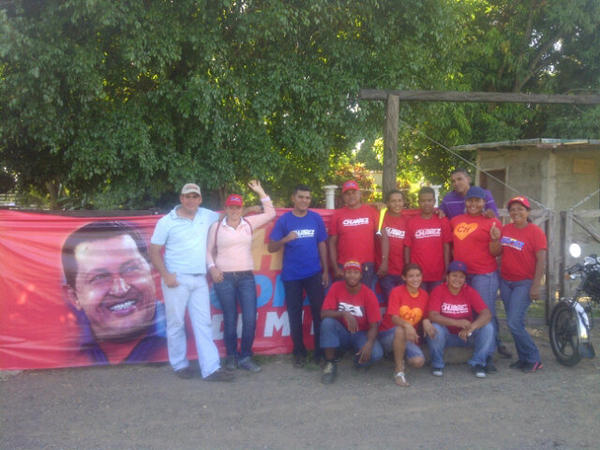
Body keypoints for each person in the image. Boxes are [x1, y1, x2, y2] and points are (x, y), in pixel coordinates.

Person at [149, 183, 233, 381]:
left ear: (200, 199)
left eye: (195, 196)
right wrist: (165, 275)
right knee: (176, 323)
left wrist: (253, 208)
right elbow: (153, 250)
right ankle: (180, 365)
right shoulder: (166, 221)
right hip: (176, 279)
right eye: (187, 196)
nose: (191, 200)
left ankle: (211, 369)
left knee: (204, 323)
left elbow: (228, 215)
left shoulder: (206, 215)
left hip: (199, 279)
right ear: (181, 198)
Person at [62, 221, 166, 364]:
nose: (120, 290)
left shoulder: (190, 330)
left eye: (131, 269)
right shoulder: (62, 351)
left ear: (152, 274)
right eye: (99, 277)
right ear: (74, 297)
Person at [206, 180, 275, 373]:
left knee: (250, 318)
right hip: (224, 278)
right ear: (226, 208)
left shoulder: (249, 223)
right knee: (230, 318)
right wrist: (212, 268)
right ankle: (231, 357)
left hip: (246, 277)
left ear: (242, 208)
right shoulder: (216, 227)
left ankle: (245, 356)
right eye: (231, 207)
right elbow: (208, 251)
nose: (234, 210)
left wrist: (260, 191)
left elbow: (270, 213)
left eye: (237, 207)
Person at [268, 184, 329, 367]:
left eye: (307, 198)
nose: (304, 200)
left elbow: (322, 244)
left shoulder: (315, 218)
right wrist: (285, 239)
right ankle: (299, 352)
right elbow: (271, 247)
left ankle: (320, 352)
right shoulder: (284, 220)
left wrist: (326, 270)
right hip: (292, 276)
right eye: (301, 197)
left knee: (319, 313)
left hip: (314, 273)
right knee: (295, 315)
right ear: (293, 198)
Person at [450, 185, 511, 366]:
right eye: (470, 200)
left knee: (484, 312)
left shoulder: (492, 222)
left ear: (484, 202)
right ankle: (479, 345)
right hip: (461, 275)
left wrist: (494, 239)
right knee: (466, 312)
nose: (473, 204)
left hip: (484, 274)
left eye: (477, 200)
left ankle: (488, 355)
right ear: (465, 201)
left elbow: (496, 252)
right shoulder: (456, 220)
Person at [500, 196, 546, 373]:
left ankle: (534, 358)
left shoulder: (535, 232)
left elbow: (541, 260)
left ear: (528, 212)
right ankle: (523, 358)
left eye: (520, 209)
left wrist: (535, 285)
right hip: (506, 281)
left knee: (513, 322)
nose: (516, 212)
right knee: (515, 322)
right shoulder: (506, 229)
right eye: (512, 209)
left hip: (524, 283)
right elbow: (499, 251)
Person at [426, 261, 495, 378]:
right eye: (454, 275)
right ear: (447, 277)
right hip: (446, 336)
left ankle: (478, 363)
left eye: (461, 276)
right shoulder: (439, 290)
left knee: (488, 327)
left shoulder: (469, 291)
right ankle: (437, 364)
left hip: (466, 336)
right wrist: (457, 323)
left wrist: (471, 328)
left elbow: (486, 314)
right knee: (435, 328)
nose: (457, 279)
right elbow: (433, 315)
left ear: (465, 279)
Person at [320, 260, 383, 384]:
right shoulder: (336, 287)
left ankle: (357, 359)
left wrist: (369, 343)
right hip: (342, 332)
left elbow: (374, 325)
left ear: (361, 275)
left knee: (376, 354)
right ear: (344, 274)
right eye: (348, 272)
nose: (352, 275)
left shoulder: (368, 294)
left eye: (355, 272)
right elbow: (323, 314)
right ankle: (330, 363)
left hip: (361, 334)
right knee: (327, 322)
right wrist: (343, 313)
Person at [377, 263, 435, 386]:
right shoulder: (396, 291)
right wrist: (407, 325)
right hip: (387, 334)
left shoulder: (424, 295)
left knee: (418, 362)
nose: (415, 279)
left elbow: (425, 315)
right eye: (411, 276)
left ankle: (397, 354)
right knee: (400, 330)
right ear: (404, 278)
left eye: (418, 275)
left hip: (408, 336)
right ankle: (399, 371)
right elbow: (394, 318)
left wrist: (426, 321)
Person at [328, 180, 387, 291]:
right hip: (344, 265)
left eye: (354, 192)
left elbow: (384, 237)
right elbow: (332, 243)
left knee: (364, 297)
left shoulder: (372, 211)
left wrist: (384, 262)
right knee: (343, 298)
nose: (351, 196)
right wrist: (335, 267)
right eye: (347, 193)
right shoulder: (337, 214)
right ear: (343, 197)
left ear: (360, 194)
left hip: (366, 265)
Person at [405, 187, 452, 292]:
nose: (426, 203)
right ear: (418, 202)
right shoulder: (412, 222)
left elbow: (446, 247)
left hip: (438, 273)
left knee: (435, 301)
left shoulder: (442, 220)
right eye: (423, 201)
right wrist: (408, 268)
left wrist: (447, 269)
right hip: (417, 275)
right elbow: (407, 247)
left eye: (429, 200)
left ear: (434, 201)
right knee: (420, 301)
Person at [376, 189, 408, 302]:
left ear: (403, 202)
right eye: (393, 201)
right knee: (392, 301)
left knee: (402, 303)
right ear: (387, 203)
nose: (397, 204)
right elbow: (363, 206)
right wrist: (376, 204)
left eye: (399, 200)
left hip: (402, 272)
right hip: (385, 271)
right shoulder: (381, 216)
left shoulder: (407, 221)